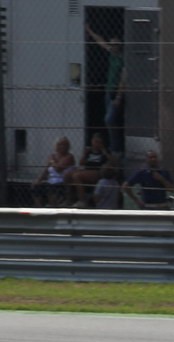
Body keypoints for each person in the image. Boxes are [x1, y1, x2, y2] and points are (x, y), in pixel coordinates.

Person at [86, 24, 126, 155]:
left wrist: (119, 97)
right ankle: (113, 146)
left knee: (110, 119)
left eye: (116, 44)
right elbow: (101, 42)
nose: (113, 46)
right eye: (112, 43)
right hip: (108, 91)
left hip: (115, 92)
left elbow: (123, 79)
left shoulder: (122, 58)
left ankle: (116, 149)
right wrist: (90, 30)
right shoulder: (112, 53)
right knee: (109, 120)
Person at [29, 136, 78, 206]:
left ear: (68, 146)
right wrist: (39, 180)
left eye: (64, 145)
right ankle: (39, 207)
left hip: (61, 181)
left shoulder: (69, 156)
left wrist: (52, 162)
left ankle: (53, 206)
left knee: (52, 189)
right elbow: (46, 170)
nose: (62, 147)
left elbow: (58, 169)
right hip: (50, 180)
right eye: (60, 144)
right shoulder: (52, 155)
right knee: (35, 186)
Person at [68, 133, 111, 207]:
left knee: (77, 176)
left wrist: (104, 152)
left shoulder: (104, 152)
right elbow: (81, 163)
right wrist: (85, 154)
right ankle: (70, 199)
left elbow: (112, 161)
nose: (96, 144)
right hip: (86, 170)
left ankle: (82, 201)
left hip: (97, 171)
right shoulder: (89, 151)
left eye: (99, 142)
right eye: (95, 142)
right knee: (67, 175)